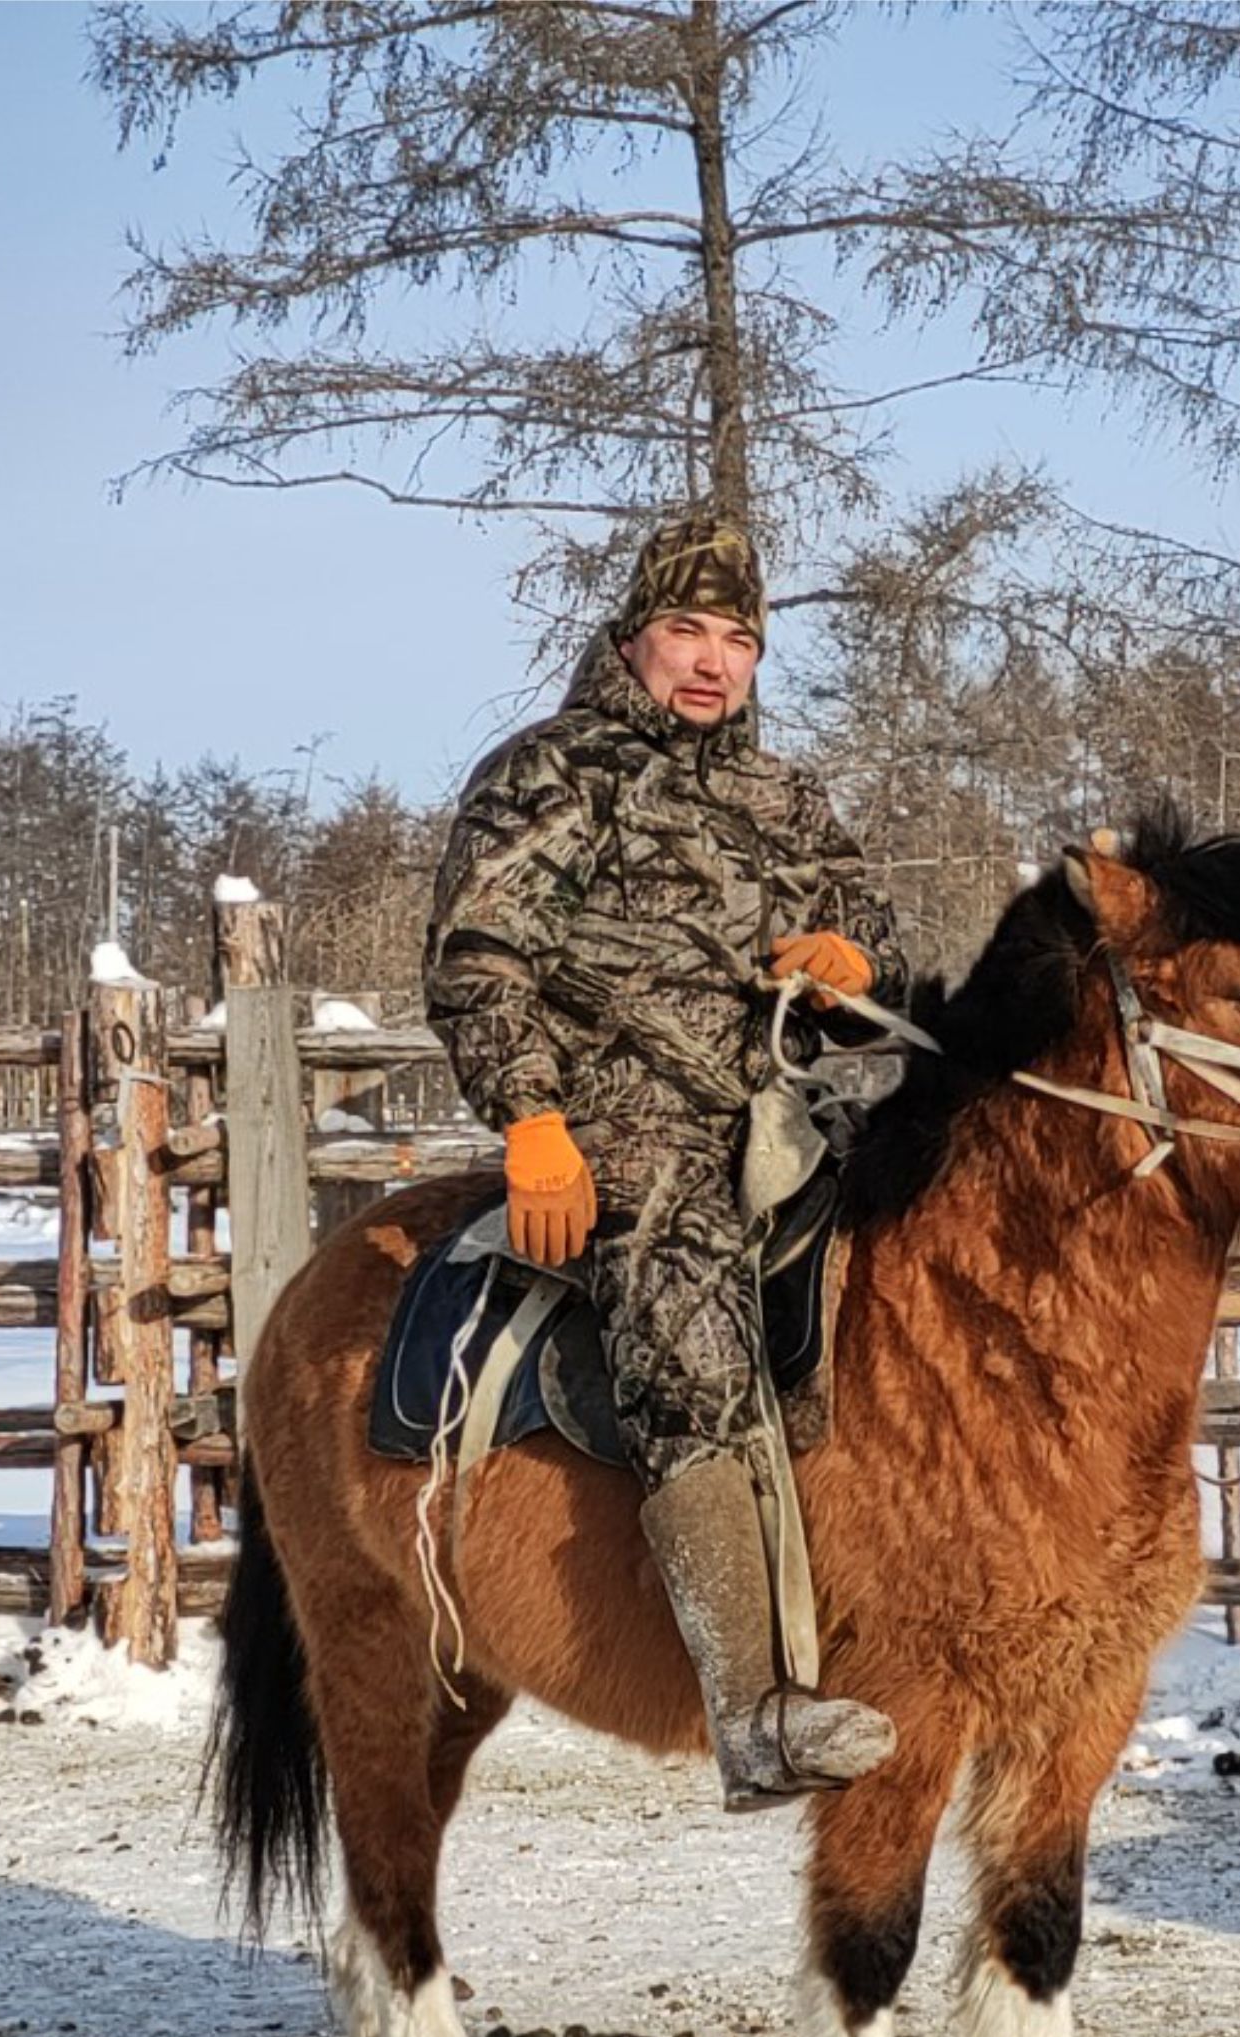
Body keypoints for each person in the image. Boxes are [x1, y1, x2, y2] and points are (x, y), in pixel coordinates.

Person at [424, 512, 908, 1809]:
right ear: (632, 635)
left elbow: (873, 933)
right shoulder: (549, 777)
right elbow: (481, 962)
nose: (711, 661)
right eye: (686, 631)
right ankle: (754, 1715)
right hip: (621, 1132)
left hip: (785, 1115)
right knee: (684, 1315)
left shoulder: (781, 796)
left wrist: (854, 965)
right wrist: (531, 1120)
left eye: (737, 638)